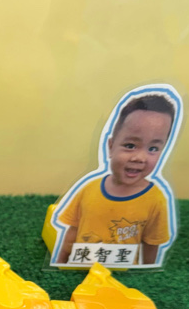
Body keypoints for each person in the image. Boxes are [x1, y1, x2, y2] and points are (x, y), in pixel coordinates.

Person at [55, 94, 175, 266]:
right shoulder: (89, 189)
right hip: (81, 269)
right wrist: (61, 262)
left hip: (122, 275)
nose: (139, 157)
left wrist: (146, 274)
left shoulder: (156, 200)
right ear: (111, 147)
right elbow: (72, 232)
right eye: (130, 146)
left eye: (153, 148)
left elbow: (151, 244)